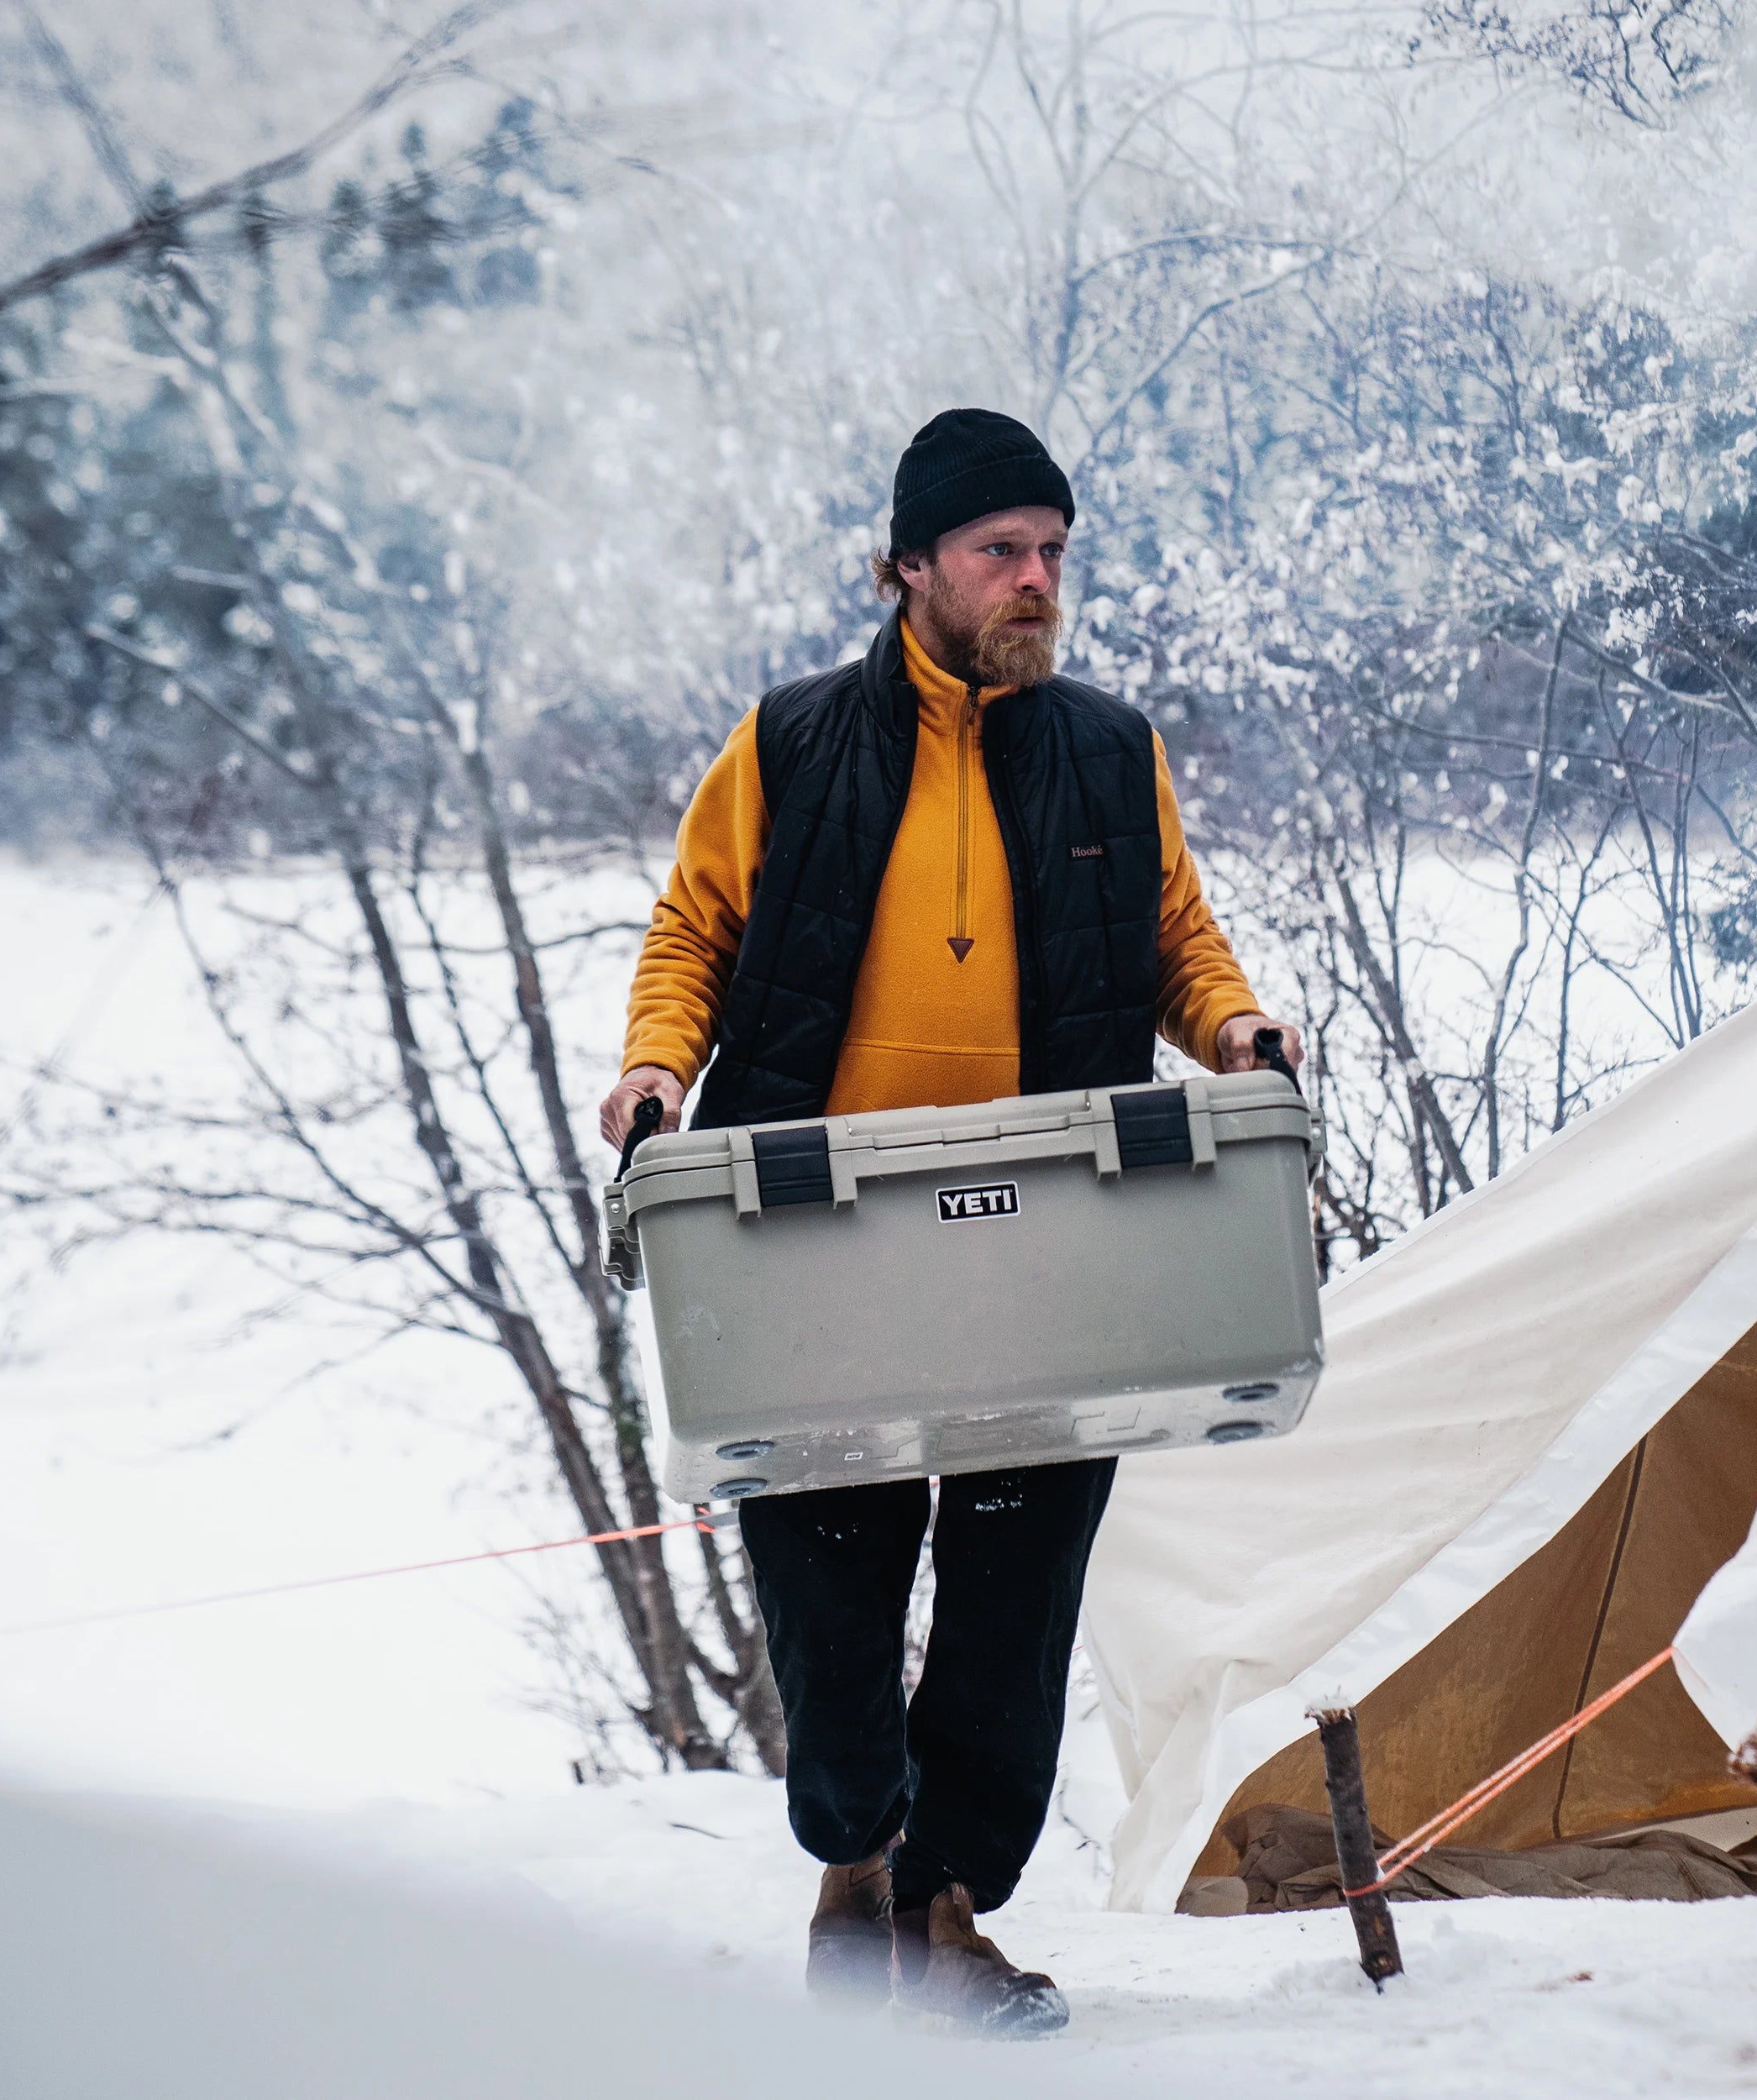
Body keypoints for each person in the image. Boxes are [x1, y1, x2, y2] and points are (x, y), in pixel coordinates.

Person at [601, 407, 1302, 2035]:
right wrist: (650, 1068)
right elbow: (692, 929)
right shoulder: (788, 741)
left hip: (1052, 1231)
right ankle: (854, 1867)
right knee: (831, 1586)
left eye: (1052, 550)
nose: (1034, 578)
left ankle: (943, 1906)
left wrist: (1235, 1031)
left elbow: (1175, 940)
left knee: (1013, 1589)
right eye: (1000, 549)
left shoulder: (1105, 748)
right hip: (813, 1233)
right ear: (908, 565)